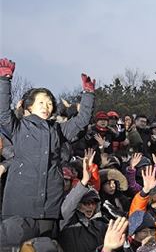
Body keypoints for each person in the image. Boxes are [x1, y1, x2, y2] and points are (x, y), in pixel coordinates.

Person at [0, 58, 95, 237]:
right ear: (30, 105)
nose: (46, 106)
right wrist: (5, 80)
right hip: (19, 203)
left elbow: (81, 121)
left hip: (49, 205)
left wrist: (88, 94)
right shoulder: (18, 127)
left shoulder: (58, 130)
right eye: (41, 102)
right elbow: (3, 112)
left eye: (50, 103)